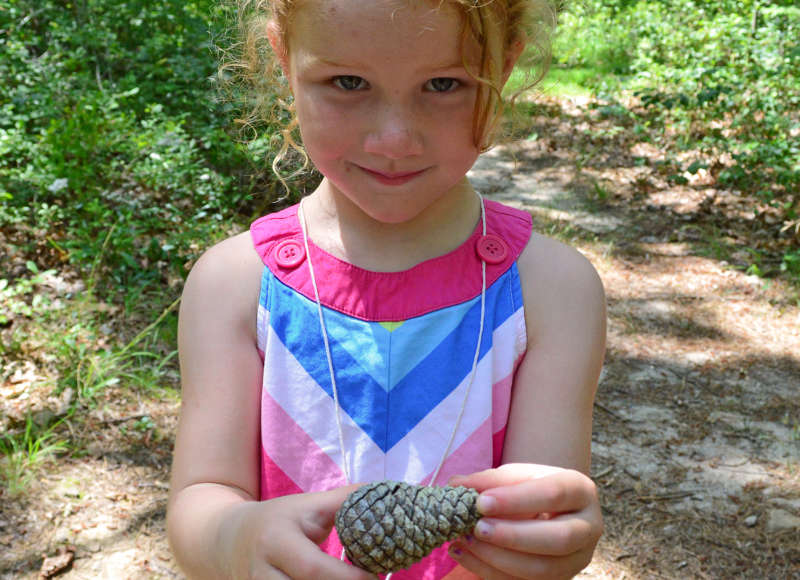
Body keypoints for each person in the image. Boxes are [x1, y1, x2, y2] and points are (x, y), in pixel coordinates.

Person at [167, 0, 606, 578]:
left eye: (444, 83)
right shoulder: (235, 285)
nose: (394, 140)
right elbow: (202, 497)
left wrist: (551, 535)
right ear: (283, 59)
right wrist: (235, 538)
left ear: (502, 70)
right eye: (347, 82)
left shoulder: (552, 292)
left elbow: (539, 506)